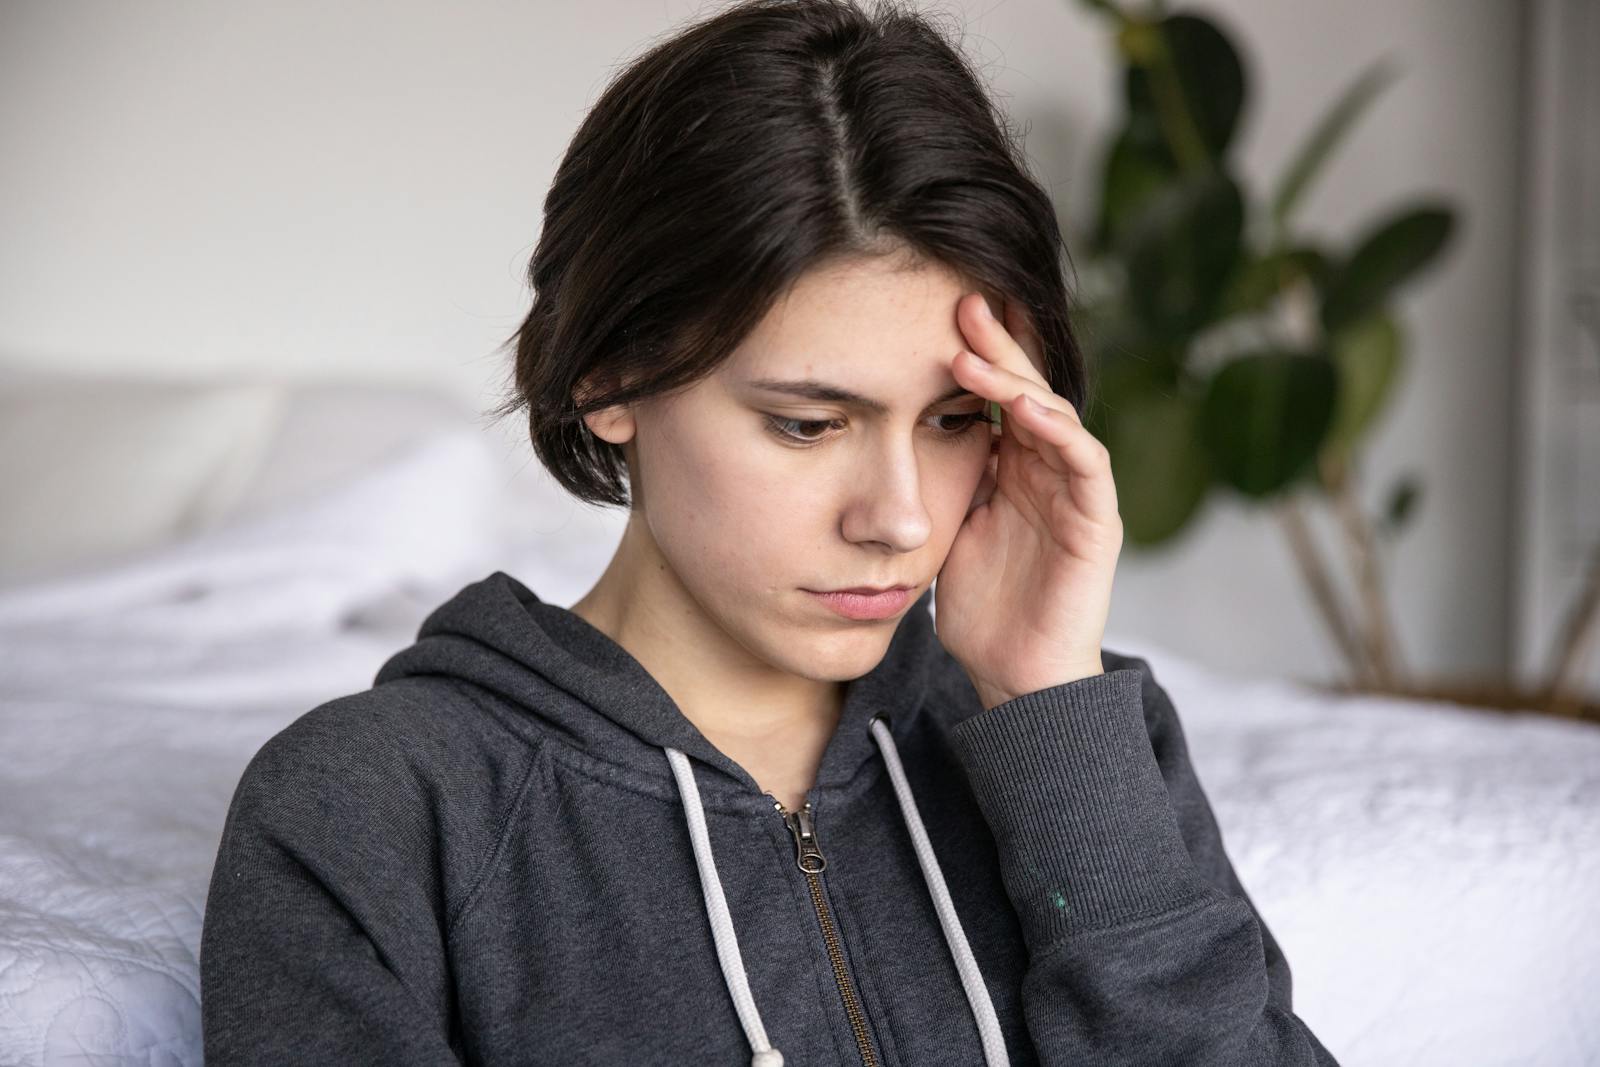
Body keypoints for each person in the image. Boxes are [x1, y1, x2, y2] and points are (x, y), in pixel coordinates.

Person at [199, 0, 1342, 1063]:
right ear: (607, 376)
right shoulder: (372, 805)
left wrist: (1047, 712)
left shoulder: (1086, 740)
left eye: (955, 420)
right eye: (805, 423)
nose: (898, 517)